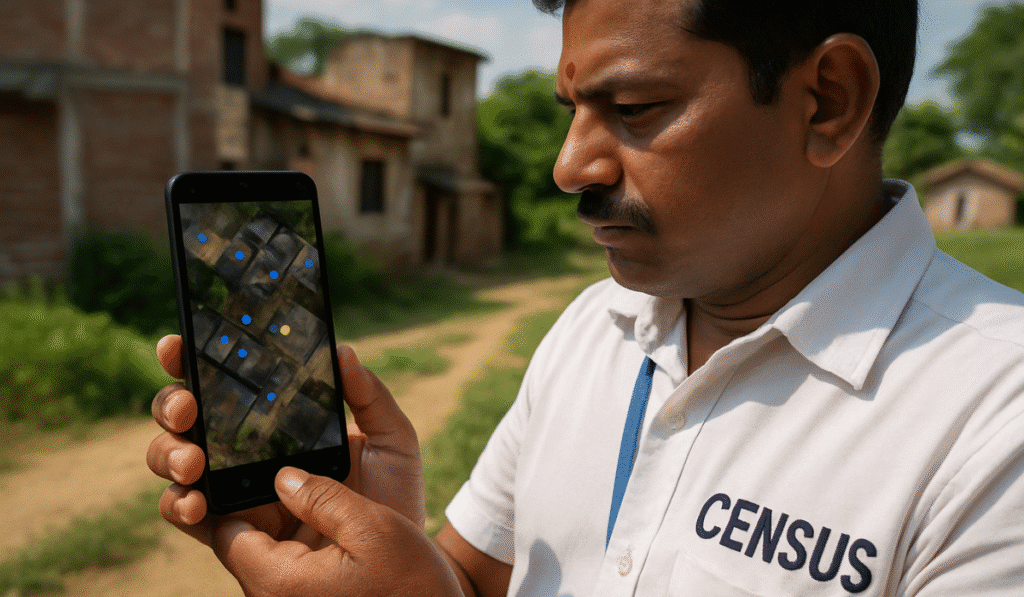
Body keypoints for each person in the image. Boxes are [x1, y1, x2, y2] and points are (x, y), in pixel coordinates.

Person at [148, 0, 1024, 594]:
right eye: (572, 109)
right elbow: (472, 579)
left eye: (635, 107)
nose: (570, 166)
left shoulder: (995, 424)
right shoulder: (593, 330)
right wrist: (381, 551)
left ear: (829, 102)